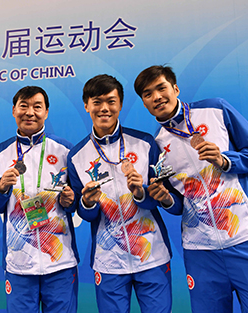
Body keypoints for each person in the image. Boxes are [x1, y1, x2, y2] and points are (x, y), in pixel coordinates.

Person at [134, 65, 248, 313]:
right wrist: (167, 200)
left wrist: (225, 160)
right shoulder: (157, 145)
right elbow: (180, 203)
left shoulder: (215, 109)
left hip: (246, 237)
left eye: (161, 88)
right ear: (144, 103)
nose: (157, 97)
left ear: (175, 88)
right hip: (200, 250)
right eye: (148, 94)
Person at [67, 74, 181, 313]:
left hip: (152, 255)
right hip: (109, 262)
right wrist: (87, 203)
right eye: (97, 102)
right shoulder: (76, 156)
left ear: (120, 104)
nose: (104, 108)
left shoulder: (145, 143)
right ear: (86, 105)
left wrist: (141, 193)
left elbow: (161, 196)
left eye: (111, 101)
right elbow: (82, 213)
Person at [0, 86, 79, 313]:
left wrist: (70, 200)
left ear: (46, 112)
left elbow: (79, 200)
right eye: (23, 106)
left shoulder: (66, 150)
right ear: (13, 111)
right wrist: (1, 187)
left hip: (60, 261)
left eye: (37, 107)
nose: (30, 112)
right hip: (19, 263)